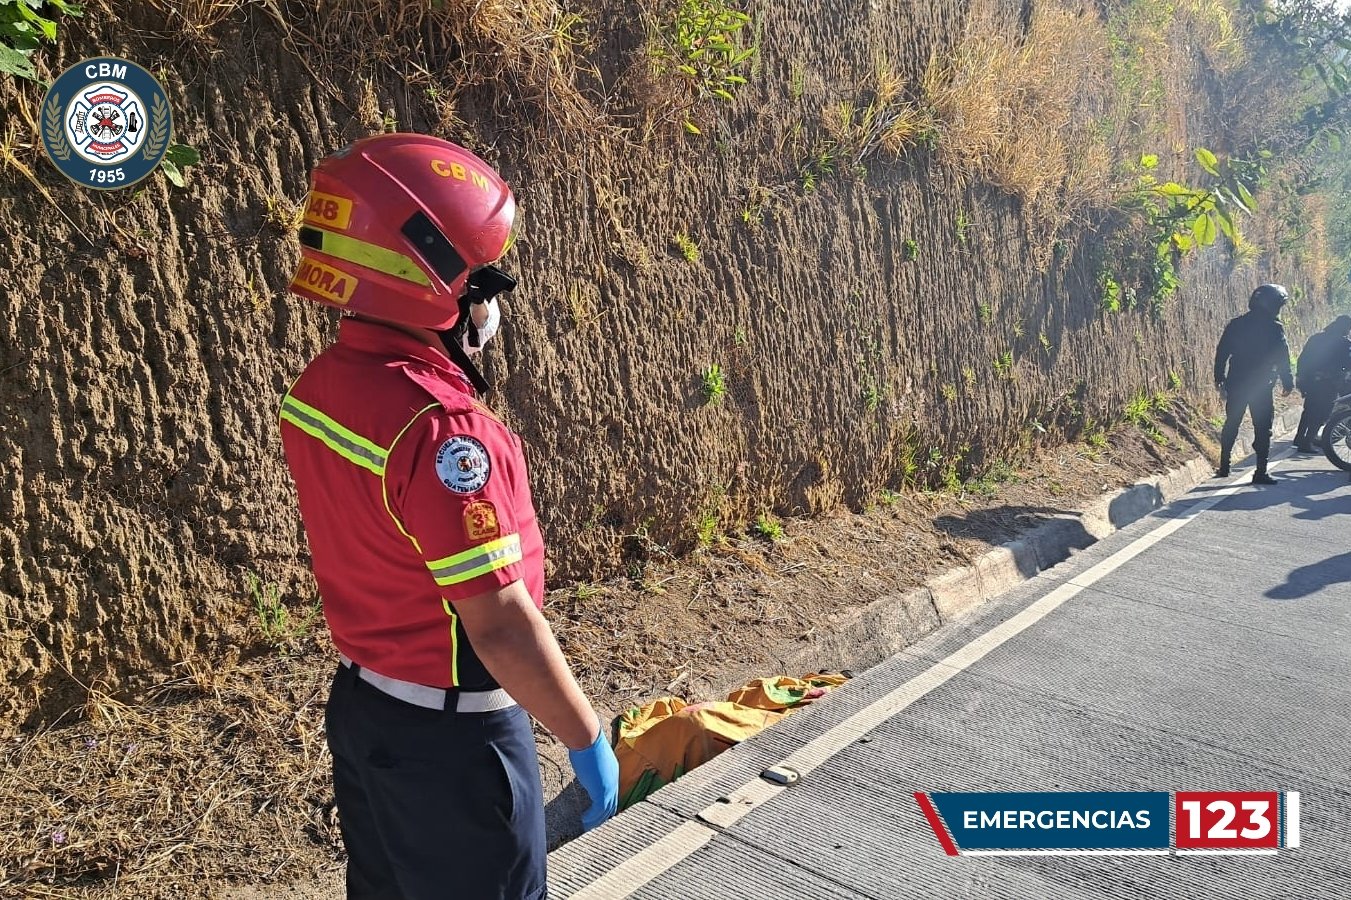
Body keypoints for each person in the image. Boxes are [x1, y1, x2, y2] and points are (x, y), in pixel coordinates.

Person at [278, 133, 618, 900]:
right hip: (456, 746)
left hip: (367, 714)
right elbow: (497, 624)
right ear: (427, 285)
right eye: (481, 283)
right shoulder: (443, 432)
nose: (492, 304)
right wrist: (586, 740)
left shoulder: (320, 388)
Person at [1213, 283, 1295, 484]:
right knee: (1262, 427)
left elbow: (1222, 352)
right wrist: (1288, 381)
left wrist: (1219, 378)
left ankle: (1224, 466)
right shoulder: (1275, 328)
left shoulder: (1236, 324)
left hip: (1237, 383)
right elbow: (1282, 357)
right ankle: (1260, 472)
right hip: (1261, 386)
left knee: (1232, 423)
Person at [1292, 315, 1351, 452]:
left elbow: (1302, 358)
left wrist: (1300, 377)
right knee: (1323, 413)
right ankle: (1307, 442)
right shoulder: (1343, 344)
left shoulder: (1316, 338)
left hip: (1310, 380)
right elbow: (1347, 364)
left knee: (1309, 410)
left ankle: (1299, 438)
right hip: (1328, 382)